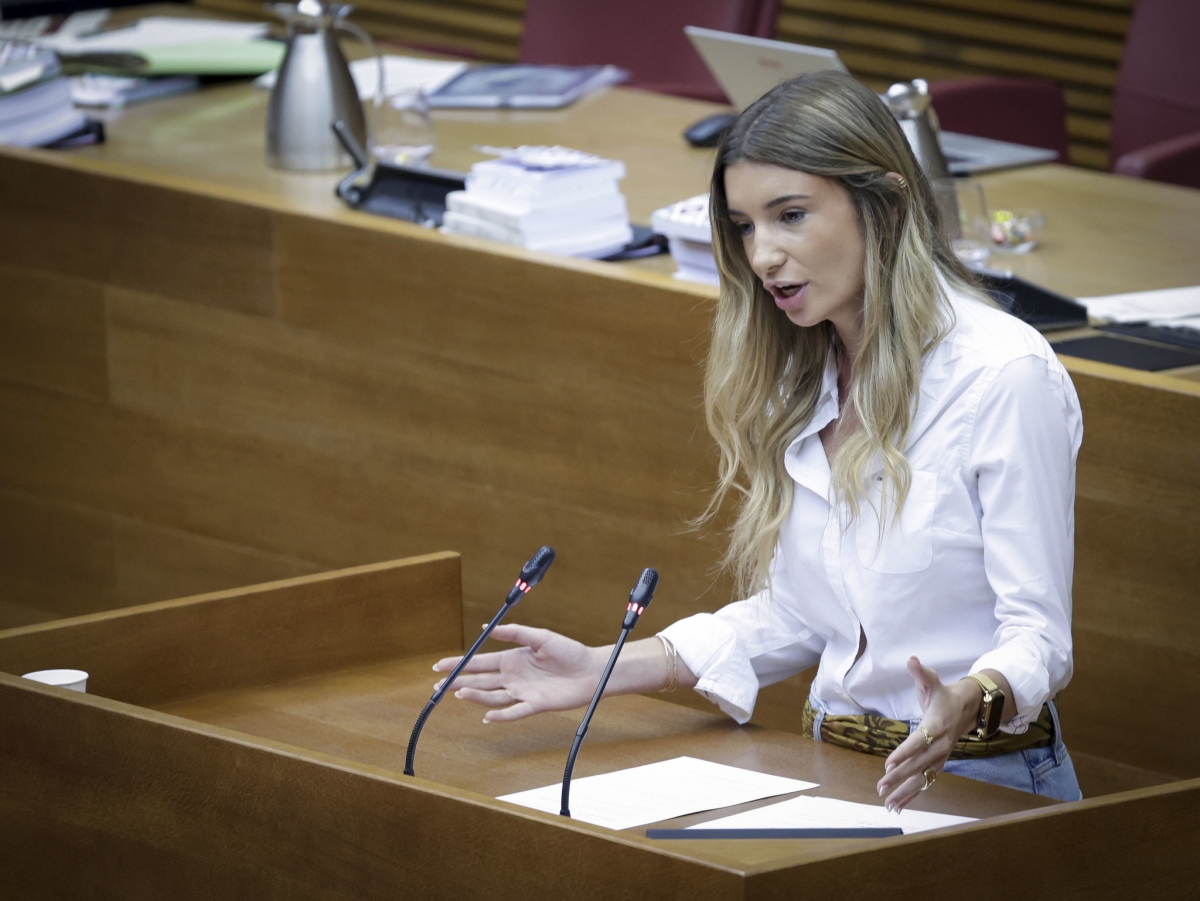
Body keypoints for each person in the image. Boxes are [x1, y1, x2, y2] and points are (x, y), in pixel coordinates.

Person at [434, 70, 1083, 812]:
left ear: (888, 203)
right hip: (835, 771)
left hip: (987, 778)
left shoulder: (1005, 374)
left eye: (790, 216)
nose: (763, 254)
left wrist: (971, 695)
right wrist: (604, 667)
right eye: (744, 226)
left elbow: (1039, 636)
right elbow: (802, 613)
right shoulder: (806, 370)